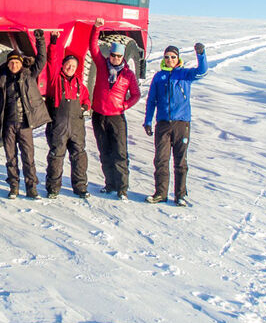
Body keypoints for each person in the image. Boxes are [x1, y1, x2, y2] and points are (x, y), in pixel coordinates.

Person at [143, 43, 207, 206]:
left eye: (173, 57)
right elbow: (152, 100)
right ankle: (160, 193)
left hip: (181, 124)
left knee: (180, 161)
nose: (170, 59)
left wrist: (201, 55)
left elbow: (202, 71)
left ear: (178, 58)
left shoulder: (185, 74)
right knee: (161, 160)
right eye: (167, 57)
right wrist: (148, 121)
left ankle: (180, 195)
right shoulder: (159, 77)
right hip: (163, 124)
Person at [0, 29, 49, 199]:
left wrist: (40, 40)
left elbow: (42, 59)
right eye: (11, 63)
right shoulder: (1, 81)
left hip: (25, 124)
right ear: (7, 64)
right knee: (11, 158)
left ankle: (31, 188)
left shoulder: (29, 76)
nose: (14, 65)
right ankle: (13, 186)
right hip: (8, 125)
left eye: (17, 62)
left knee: (28, 158)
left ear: (21, 64)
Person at [88, 17, 141, 200]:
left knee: (119, 152)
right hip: (99, 115)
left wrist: (124, 105)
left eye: (118, 56)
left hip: (116, 117)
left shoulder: (128, 74)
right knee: (104, 151)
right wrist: (96, 28)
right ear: (110, 55)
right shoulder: (102, 65)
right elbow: (93, 47)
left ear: (122, 57)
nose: (115, 58)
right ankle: (109, 184)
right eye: (113, 55)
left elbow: (136, 95)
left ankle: (122, 188)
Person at [43, 34, 91, 199]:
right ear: (63, 66)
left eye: (73, 65)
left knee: (79, 156)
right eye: (68, 64)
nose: (70, 67)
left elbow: (86, 99)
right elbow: (52, 61)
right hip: (59, 126)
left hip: (77, 127)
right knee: (56, 156)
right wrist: (54, 43)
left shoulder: (80, 85)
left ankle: (80, 188)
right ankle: (53, 188)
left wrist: (85, 106)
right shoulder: (56, 80)